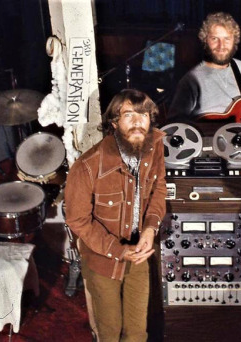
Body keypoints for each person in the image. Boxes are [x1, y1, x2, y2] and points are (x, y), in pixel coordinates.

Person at [64, 89, 167, 341]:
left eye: (143, 115)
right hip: (103, 258)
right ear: (114, 123)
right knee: (109, 331)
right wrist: (119, 251)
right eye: (128, 115)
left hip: (139, 253)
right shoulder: (87, 166)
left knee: (136, 332)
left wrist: (150, 229)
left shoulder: (154, 145)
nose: (137, 122)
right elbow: (78, 220)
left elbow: (159, 187)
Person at [167, 12, 241, 124]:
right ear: (205, 40)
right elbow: (175, 124)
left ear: (235, 41)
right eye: (214, 39)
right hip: (208, 138)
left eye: (227, 39)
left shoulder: (240, 67)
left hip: (239, 136)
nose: (221, 46)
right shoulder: (191, 80)